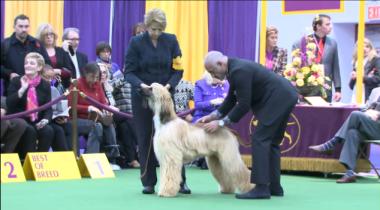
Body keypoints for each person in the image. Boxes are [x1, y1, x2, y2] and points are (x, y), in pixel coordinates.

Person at [198, 51, 298, 199]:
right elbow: (231, 100)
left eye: (213, 72)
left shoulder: (238, 71)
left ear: (220, 64)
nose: (214, 76)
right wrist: (213, 116)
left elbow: (243, 104)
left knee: (260, 139)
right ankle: (275, 187)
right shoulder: (234, 68)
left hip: (278, 98)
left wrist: (220, 123)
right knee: (272, 143)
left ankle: (261, 188)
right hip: (286, 95)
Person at [124, 8, 189, 194]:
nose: (156, 33)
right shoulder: (136, 42)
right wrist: (142, 86)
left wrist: (169, 86)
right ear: (147, 26)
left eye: (160, 29)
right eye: (153, 29)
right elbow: (129, 71)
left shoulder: (171, 40)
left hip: (166, 96)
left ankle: (180, 181)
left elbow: (178, 69)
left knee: (173, 139)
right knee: (145, 138)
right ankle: (148, 181)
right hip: (143, 97)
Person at [309, 87, 380, 183]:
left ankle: (331, 144)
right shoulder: (375, 90)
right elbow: (365, 108)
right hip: (370, 124)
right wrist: (367, 111)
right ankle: (350, 173)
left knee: (355, 114)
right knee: (352, 133)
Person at [67, 63, 120, 169]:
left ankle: (111, 159)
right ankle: (89, 162)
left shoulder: (98, 85)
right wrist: (88, 108)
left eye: (97, 77)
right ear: (85, 74)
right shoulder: (76, 84)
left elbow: (102, 103)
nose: (95, 80)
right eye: (92, 77)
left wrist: (108, 108)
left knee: (109, 125)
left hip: (94, 118)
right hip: (76, 119)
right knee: (96, 126)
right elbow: (70, 106)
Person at [6, 52, 54, 157]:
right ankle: (27, 163)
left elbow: (48, 108)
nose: (27, 65)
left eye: (31, 63)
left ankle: (41, 162)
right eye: (26, 63)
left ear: (39, 67)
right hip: (20, 119)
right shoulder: (16, 81)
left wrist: (45, 119)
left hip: (37, 120)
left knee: (48, 130)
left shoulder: (45, 84)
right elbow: (9, 103)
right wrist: (22, 89)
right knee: (30, 130)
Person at [292, 14, 341, 102]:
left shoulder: (333, 43)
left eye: (330, 24)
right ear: (318, 26)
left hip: (326, 88)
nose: (331, 27)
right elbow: (295, 67)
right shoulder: (303, 42)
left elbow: (335, 67)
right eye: (327, 24)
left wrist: (338, 89)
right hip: (307, 88)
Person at [1, 14, 50, 94]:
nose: (24, 29)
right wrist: (9, 74)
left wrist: (45, 72)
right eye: (20, 26)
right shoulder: (4, 44)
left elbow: (47, 63)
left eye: (26, 26)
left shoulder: (37, 44)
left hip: (36, 91)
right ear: (14, 26)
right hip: (13, 91)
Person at [36, 23, 74, 91]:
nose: (49, 37)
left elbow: (69, 71)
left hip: (60, 87)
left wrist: (58, 71)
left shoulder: (61, 51)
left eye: (51, 34)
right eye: (46, 35)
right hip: (41, 87)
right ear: (41, 37)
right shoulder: (37, 51)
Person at [349, 38, 380, 103]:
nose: (364, 49)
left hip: (368, 94)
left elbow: (378, 79)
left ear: (371, 48)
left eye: (367, 46)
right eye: (361, 46)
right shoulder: (356, 61)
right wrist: (353, 77)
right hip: (356, 92)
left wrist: (361, 77)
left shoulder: (375, 60)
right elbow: (351, 85)